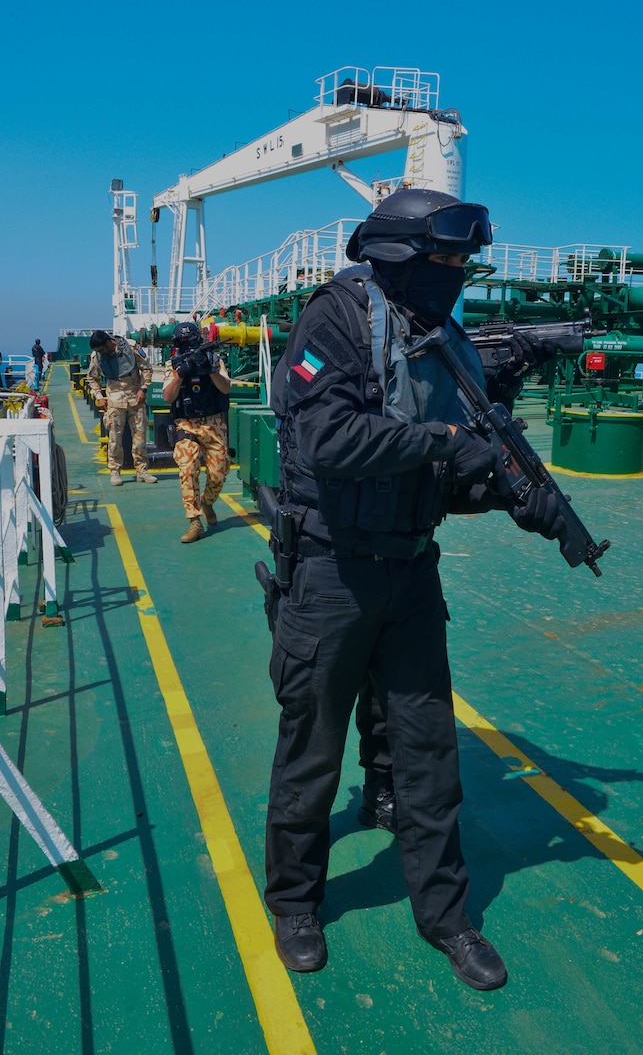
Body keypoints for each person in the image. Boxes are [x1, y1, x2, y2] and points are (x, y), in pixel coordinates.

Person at [263, 188, 564, 990]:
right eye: (445, 259)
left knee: (428, 753)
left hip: (409, 571)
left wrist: (506, 492)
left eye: (464, 262)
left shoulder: (443, 340)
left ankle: (446, 916)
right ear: (398, 254)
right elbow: (326, 438)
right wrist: (446, 444)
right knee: (312, 747)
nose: (457, 274)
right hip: (331, 572)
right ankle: (294, 902)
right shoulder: (333, 318)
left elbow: (444, 473)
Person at [162, 321, 231, 543]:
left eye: (189, 340)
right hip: (186, 423)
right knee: (187, 467)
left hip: (213, 421)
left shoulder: (214, 360)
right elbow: (168, 397)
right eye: (181, 341)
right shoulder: (172, 364)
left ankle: (207, 501)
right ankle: (194, 521)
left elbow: (225, 388)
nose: (186, 344)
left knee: (219, 471)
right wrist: (181, 373)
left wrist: (210, 369)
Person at [86, 330, 158, 486]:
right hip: (114, 399)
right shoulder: (97, 356)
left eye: (102, 349)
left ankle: (142, 470)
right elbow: (92, 377)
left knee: (140, 436)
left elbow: (146, 368)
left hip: (135, 398)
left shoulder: (130, 348)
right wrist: (99, 397)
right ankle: (115, 471)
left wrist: (143, 388)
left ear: (108, 343)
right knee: (114, 438)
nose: (101, 353)